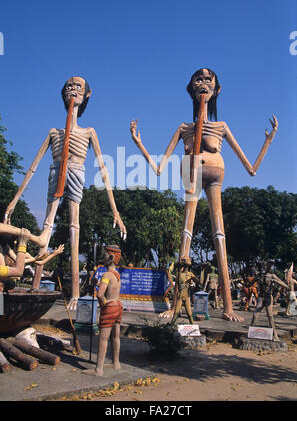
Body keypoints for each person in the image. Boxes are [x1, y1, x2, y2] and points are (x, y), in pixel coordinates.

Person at [130, 68, 278, 322]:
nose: (203, 83)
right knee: (185, 234)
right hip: (191, 175)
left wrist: (268, 140)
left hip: (215, 175)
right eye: (198, 79)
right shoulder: (184, 128)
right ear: (191, 88)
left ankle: (228, 307)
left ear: (216, 89)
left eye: (208, 80)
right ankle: (176, 304)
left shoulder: (221, 127)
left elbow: (251, 169)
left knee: (220, 235)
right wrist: (139, 143)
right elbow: (158, 168)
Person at [4, 77, 126, 310]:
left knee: (74, 227)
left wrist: (115, 210)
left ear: (87, 94)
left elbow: (103, 169)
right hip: (55, 172)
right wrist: (14, 201)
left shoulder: (89, 132)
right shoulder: (53, 133)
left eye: (78, 86)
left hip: (76, 172)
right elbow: (33, 166)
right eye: (69, 86)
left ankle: (75, 295)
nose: (73, 89)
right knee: (46, 226)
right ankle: (35, 286)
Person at [83, 245, 123, 376]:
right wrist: (98, 283)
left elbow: (100, 295)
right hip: (118, 305)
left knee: (103, 338)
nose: (103, 257)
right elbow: (110, 288)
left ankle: (98, 369)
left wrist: (103, 304)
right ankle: (116, 362)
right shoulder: (116, 275)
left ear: (111, 258)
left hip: (110, 307)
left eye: (105, 255)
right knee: (116, 336)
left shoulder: (106, 274)